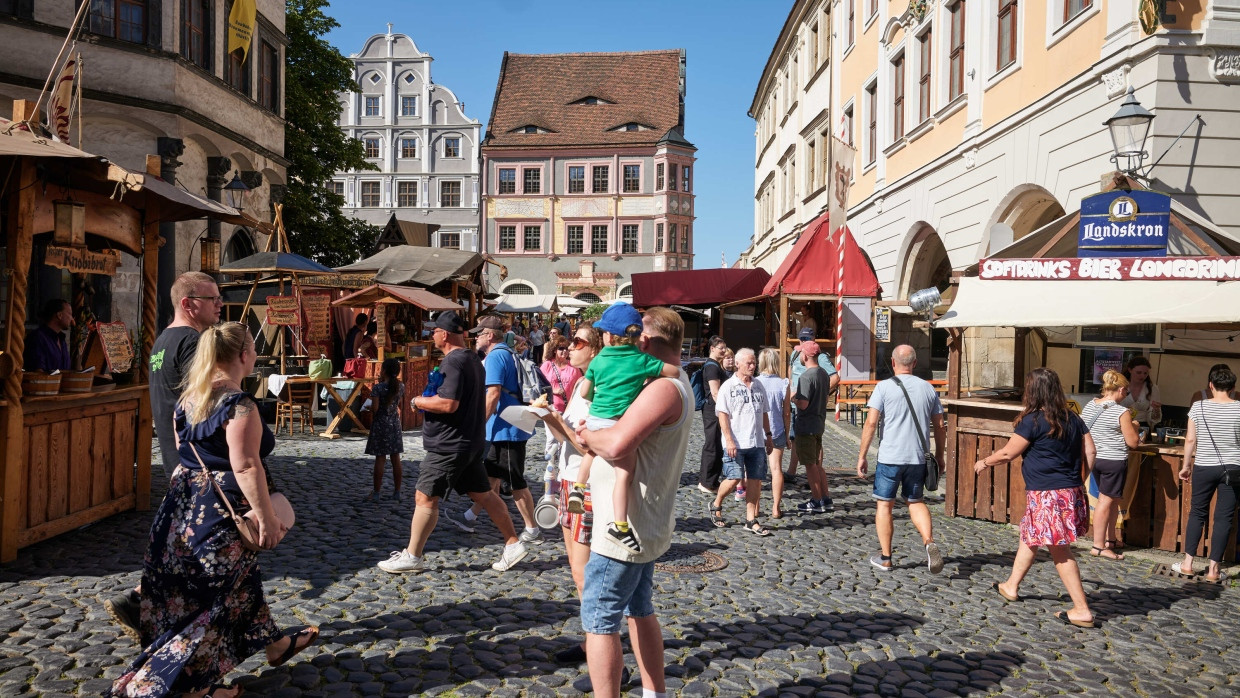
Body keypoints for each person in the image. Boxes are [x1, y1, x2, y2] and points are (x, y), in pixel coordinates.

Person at [109, 322, 317, 698]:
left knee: (239, 585)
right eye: (253, 348)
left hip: (181, 511)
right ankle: (173, 689)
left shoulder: (188, 399)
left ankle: (275, 645)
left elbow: (184, 459)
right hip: (221, 516)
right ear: (243, 355)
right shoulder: (239, 405)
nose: (255, 355)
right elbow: (246, 466)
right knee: (207, 606)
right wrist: (267, 518)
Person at [573, 306, 693, 698]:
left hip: (623, 530)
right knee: (639, 609)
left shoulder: (663, 388)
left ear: (645, 339)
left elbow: (616, 444)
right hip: (644, 520)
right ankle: (654, 693)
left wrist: (586, 436)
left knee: (598, 620)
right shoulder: (671, 380)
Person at [106, 272, 222, 641]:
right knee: (205, 541)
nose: (220, 304)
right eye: (212, 298)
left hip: (177, 457)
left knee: (188, 538)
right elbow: (200, 401)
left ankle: (143, 602)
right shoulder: (192, 341)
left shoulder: (162, 342)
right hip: (195, 457)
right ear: (188, 303)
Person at [378, 311, 528, 573]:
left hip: (449, 444)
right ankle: (513, 543)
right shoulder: (473, 359)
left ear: (444, 334)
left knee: (425, 496)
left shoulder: (454, 361)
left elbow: (448, 403)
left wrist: (418, 401)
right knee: (484, 494)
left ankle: (412, 556)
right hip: (468, 440)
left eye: (434, 331)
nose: (432, 335)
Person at [974, 367, 1094, 628]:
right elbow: (1091, 452)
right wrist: (1078, 480)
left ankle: (1082, 609)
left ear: (1033, 391)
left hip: (1047, 494)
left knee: (1059, 550)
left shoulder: (1034, 421)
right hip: (1069, 490)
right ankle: (1011, 585)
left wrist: (984, 462)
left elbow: (1008, 453)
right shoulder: (1073, 418)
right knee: (1030, 536)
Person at [569, 303, 680, 553]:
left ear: (609, 336)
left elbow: (585, 392)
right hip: (616, 422)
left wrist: (598, 397)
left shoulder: (599, 359)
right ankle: (620, 525)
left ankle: (578, 488)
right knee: (624, 475)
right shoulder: (642, 360)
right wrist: (648, 379)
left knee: (590, 452)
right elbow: (674, 372)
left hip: (595, 418)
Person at [856, 345, 945, 573]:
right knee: (915, 501)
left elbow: (871, 423)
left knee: (884, 504)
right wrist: (939, 455)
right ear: (914, 363)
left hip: (890, 456)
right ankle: (929, 541)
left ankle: (886, 557)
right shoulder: (928, 388)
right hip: (917, 457)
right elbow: (939, 426)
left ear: (893, 362)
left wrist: (862, 455)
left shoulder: (883, 387)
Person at [459, 316, 541, 542]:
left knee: (515, 481)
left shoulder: (495, 356)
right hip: (509, 424)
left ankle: (532, 528)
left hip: (508, 427)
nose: (475, 338)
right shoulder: (507, 351)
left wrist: (478, 423)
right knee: (490, 475)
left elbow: (493, 394)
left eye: (479, 333)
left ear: (489, 335)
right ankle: (469, 517)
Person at [550, 325, 604, 667]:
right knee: (575, 570)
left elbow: (590, 447)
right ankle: (590, 643)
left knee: (586, 574)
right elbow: (566, 438)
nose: (570, 347)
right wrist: (549, 418)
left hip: (585, 487)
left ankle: (603, 649)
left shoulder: (598, 388)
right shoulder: (579, 384)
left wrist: (561, 424)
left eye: (579, 342)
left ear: (595, 350)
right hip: (569, 481)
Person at [1175, 366, 1240, 582]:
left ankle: (1187, 564)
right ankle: (1214, 570)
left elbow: (1190, 439)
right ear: (1233, 387)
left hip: (1204, 466)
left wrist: (1186, 466)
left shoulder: (1198, 406)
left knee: (1197, 513)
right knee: (1224, 518)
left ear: (1210, 385)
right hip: (1233, 468)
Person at [708, 348, 774, 535]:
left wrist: (768, 435)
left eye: (754, 363)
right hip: (736, 442)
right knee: (734, 478)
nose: (752, 366)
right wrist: (729, 440)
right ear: (737, 364)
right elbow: (722, 414)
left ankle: (751, 519)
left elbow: (764, 412)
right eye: (749, 363)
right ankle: (716, 503)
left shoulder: (759, 385)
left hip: (756, 442)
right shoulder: (728, 387)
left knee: (755, 480)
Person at [1080, 369, 1138, 560]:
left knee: (1111, 500)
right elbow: (1133, 442)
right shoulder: (1122, 412)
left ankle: (1111, 539)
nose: (1126, 395)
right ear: (1120, 389)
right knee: (1105, 502)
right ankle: (1098, 545)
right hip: (1113, 460)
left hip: (1094, 459)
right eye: (1126, 391)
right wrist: (1136, 427)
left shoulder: (1090, 406)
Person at [786, 328, 839, 485]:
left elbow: (835, 377)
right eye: (802, 339)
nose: (804, 341)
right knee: (796, 438)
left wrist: (820, 394)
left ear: (813, 339)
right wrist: (791, 390)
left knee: (814, 439)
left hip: (809, 406)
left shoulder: (819, 357)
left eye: (807, 339)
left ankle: (815, 474)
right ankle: (792, 472)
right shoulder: (795, 354)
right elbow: (791, 372)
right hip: (796, 403)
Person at [793, 340, 835, 513]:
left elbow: (803, 404)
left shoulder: (806, 377)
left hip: (806, 425)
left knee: (810, 465)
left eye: (800, 352)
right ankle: (826, 498)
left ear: (806, 356)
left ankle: (817, 500)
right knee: (817, 464)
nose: (799, 356)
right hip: (818, 423)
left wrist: (793, 398)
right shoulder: (824, 373)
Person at [755, 348, 791, 518]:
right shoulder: (783, 384)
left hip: (757, 431)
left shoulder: (755, 382)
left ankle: (755, 507)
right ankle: (776, 508)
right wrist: (788, 434)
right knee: (776, 469)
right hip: (777, 429)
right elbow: (786, 413)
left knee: (756, 471)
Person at [363, 357, 405, 501]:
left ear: (384, 370)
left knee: (380, 458)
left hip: (381, 424)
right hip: (394, 424)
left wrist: (369, 408)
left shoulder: (378, 388)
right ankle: (397, 491)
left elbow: (375, 409)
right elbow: (397, 403)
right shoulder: (400, 386)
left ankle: (376, 492)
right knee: (395, 458)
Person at [697, 336, 729, 494]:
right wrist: (724, 411)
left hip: (714, 409)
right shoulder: (712, 367)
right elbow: (715, 393)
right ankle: (706, 482)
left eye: (725, 348)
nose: (724, 350)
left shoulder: (715, 365)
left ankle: (712, 480)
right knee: (712, 445)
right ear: (712, 348)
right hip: (713, 410)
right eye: (721, 348)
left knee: (716, 444)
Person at [24, 298, 73, 373]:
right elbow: (37, 371)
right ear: (59, 315)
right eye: (70, 314)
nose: (72, 319)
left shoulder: (62, 340)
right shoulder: (37, 338)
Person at [541, 337, 582, 414]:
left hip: (568, 410)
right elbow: (539, 385)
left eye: (566, 348)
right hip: (549, 409)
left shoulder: (574, 366)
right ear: (554, 350)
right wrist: (553, 390)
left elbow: (579, 386)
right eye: (561, 348)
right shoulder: (547, 365)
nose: (565, 351)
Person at [1120, 356, 1162, 429]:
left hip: (1142, 426)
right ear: (1130, 370)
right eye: (1138, 372)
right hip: (1121, 425)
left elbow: (1155, 419)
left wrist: (1156, 410)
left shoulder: (1152, 388)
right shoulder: (1120, 386)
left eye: (1145, 373)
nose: (1142, 376)